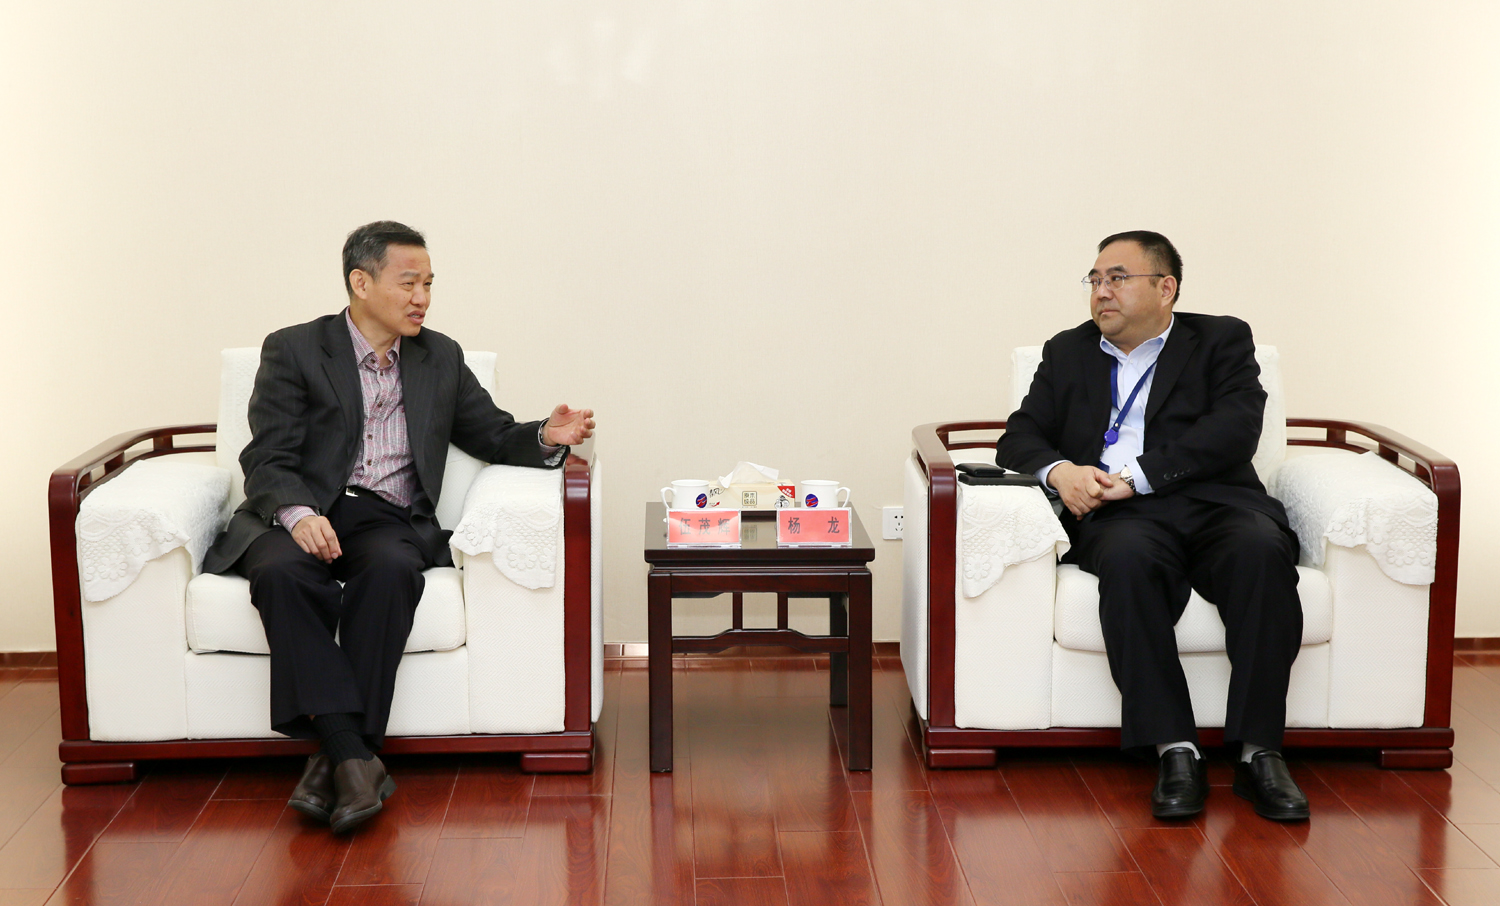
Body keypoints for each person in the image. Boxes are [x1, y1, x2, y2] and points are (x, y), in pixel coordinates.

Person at [202, 221, 595, 834]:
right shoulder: (294, 349)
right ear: (361, 283)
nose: (422, 298)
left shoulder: (440, 357)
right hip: (301, 509)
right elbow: (268, 455)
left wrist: (546, 435)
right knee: (279, 573)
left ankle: (337, 758)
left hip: (386, 517)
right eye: (408, 283)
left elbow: (493, 434)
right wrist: (299, 515)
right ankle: (356, 757)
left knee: (392, 570)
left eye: (429, 284)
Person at [995, 230, 1308, 821]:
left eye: (1117, 278)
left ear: (1166, 288)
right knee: (1127, 561)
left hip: (1218, 503)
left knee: (1261, 552)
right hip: (1121, 516)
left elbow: (1235, 430)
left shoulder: (1221, 339)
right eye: (1094, 280)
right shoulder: (1067, 351)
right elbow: (1019, 436)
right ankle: (1175, 750)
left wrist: (1138, 475)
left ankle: (1259, 753)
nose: (1101, 291)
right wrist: (1061, 472)